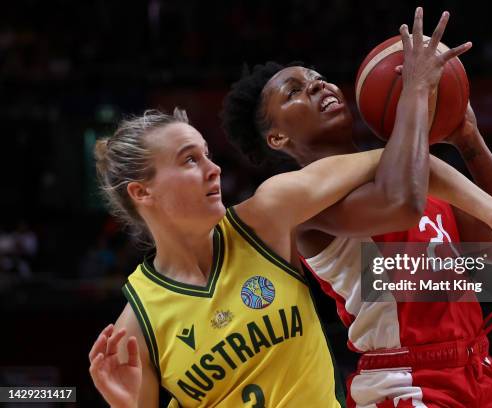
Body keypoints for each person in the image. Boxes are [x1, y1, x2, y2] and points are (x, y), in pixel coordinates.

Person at [221, 8, 492, 407]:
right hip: (407, 382)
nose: (317, 86)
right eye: (294, 91)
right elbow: (402, 203)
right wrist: (414, 89)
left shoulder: (414, 172)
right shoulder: (303, 202)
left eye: (317, 78)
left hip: (479, 370)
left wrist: (469, 140)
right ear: (276, 137)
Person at [87, 108, 389, 407]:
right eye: (190, 159)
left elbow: (383, 160)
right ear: (141, 192)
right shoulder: (135, 326)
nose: (214, 168)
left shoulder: (265, 219)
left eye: (207, 154)